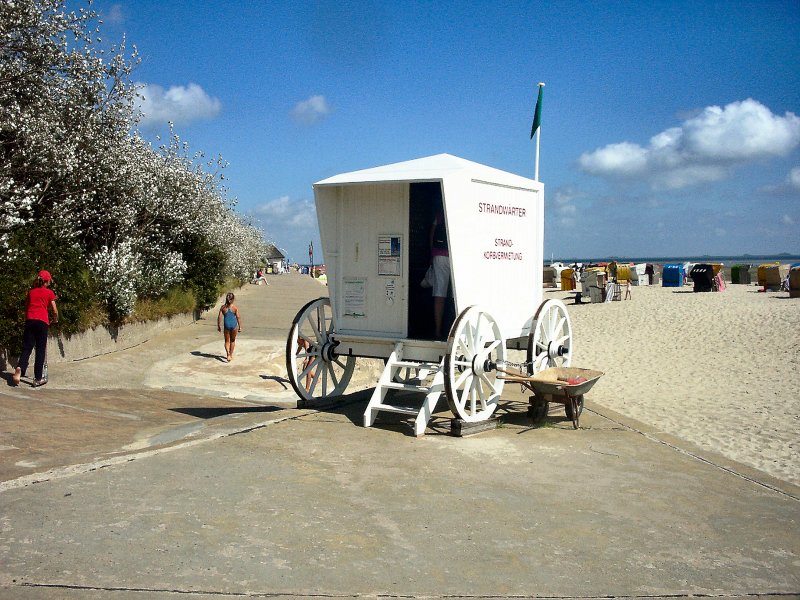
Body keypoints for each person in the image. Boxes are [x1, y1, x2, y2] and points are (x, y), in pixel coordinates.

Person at [13, 270, 58, 387]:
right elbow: (54, 310)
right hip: (42, 322)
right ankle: (38, 378)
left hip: (30, 320)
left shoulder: (31, 292)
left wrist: (27, 319)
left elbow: (26, 308)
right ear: (47, 281)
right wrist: (55, 319)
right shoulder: (49, 293)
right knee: (40, 350)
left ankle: (19, 368)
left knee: (27, 347)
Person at [429, 203, 450, 339]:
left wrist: (432, 254)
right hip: (456, 256)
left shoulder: (439, 214)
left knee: (439, 293)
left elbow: (431, 234)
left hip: (439, 255)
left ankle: (437, 330)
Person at [217, 292, 242, 362]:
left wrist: (218, 326)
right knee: (232, 341)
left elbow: (219, 317)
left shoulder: (223, 308)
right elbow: (238, 317)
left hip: (226, 326)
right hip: (234, 326)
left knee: (227, 341)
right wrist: (240, 327)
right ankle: (231, 355)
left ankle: (228, 354)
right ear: (233, 299)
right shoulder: (235, 308)